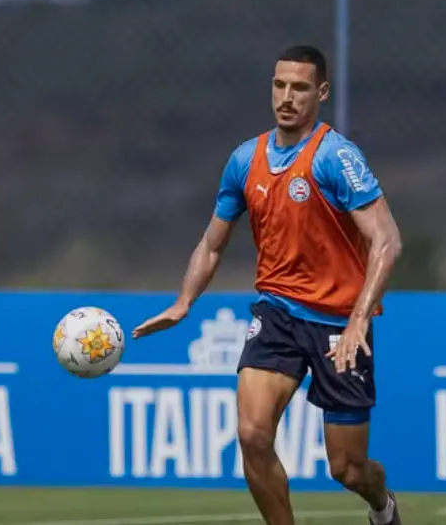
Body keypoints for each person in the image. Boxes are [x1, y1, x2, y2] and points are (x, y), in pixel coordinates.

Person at [132, 45, 404, 525]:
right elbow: (213, 244)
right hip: (277, 314)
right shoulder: (244, 160)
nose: (287, 97)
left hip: (340, 324)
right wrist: (183, 302)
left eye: (299, 88)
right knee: (253, 435)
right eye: (279, 85)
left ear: (320, 93)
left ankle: (382, 506)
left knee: (348, 468)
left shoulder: (335, 157)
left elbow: (387, 240)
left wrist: (361, 317)